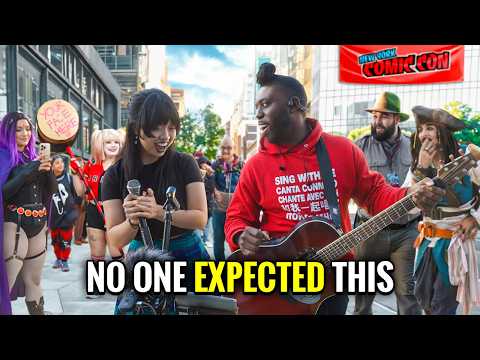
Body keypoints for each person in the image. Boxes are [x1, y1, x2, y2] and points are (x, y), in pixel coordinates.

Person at [224, 63, 445, 315]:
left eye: (266, 105)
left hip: (331, 278)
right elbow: (236, 217)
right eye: (257, 108)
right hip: (276, 279)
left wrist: (410, 195)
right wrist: (241, 235)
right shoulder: (256, 165)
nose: (259, 115)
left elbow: (375, 195)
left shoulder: (342, 150)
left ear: (295, 104)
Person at [101, 88, 209, 313]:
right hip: (142, 257)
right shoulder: (114, 175)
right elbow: (114, 238)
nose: (166, 136)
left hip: (187, 253)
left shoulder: (184, 163)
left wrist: (159, 212)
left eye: (171, 127)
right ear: (136, 128)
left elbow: (200, 218)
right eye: (157, 127)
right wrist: (132, 220)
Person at [353, 92, 422, 315]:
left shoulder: (414, 146)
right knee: (363, 301)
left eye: (383, 116)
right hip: (369, 230)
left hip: (407, 231)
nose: (377, 121)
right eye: (374, 116)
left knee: (409, 298)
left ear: (396, 119)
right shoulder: (359, 147)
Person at [407, 106, 480, 315]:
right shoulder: (417, 165)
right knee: (424, 301)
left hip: (454, 244)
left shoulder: (469, 156)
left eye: (430, 128)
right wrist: (422, 169)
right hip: (426, 243)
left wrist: (474, 218)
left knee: (443, 306)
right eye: (421, 129)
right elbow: (411, 209)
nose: (424, 134)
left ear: (444, 131)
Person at [0, 112, 58, 315]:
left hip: (37, 223)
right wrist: (27, 171)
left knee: (33, 280)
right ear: (8, 132)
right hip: (14, 224)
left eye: (28, 128)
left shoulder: (34, 156)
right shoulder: (3, 156)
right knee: (5, 281)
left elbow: (50, 192)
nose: (25, 133)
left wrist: (47, 169)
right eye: (18, 129)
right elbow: (3, 192)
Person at [49, 154, 84, 272]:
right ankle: (58, 258)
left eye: (62, 162)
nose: (60, 165)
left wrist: (74, 211)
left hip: (67, 216)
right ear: (52, 166)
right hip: (53, 217)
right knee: (55, 240)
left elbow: (77, 194)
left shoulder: (69, 178)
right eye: (57, 163)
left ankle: (64, 260)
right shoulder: (48, 179)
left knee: (66, 240)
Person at [212, 136, 243, 260]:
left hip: (236, 210)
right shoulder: (216, 164)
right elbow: (210, 181)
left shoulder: (241, 165)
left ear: (234, 148)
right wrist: (214, 191)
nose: (225, 151)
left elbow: (246, 184)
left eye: (229, 148)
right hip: (219, 208)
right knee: (218, 239)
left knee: (237, 240)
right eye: (223, 148)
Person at [196, 155, 215, 246]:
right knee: (198, 223)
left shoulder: (211, 175)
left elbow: (211, 188)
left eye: (207, 164)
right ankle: (199, 239)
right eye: (203, 164)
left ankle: (206, 239)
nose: (205, 166)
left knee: (208, 223)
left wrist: (210, 176)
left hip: (209, 203)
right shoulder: (196, 174)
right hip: (199, 203)